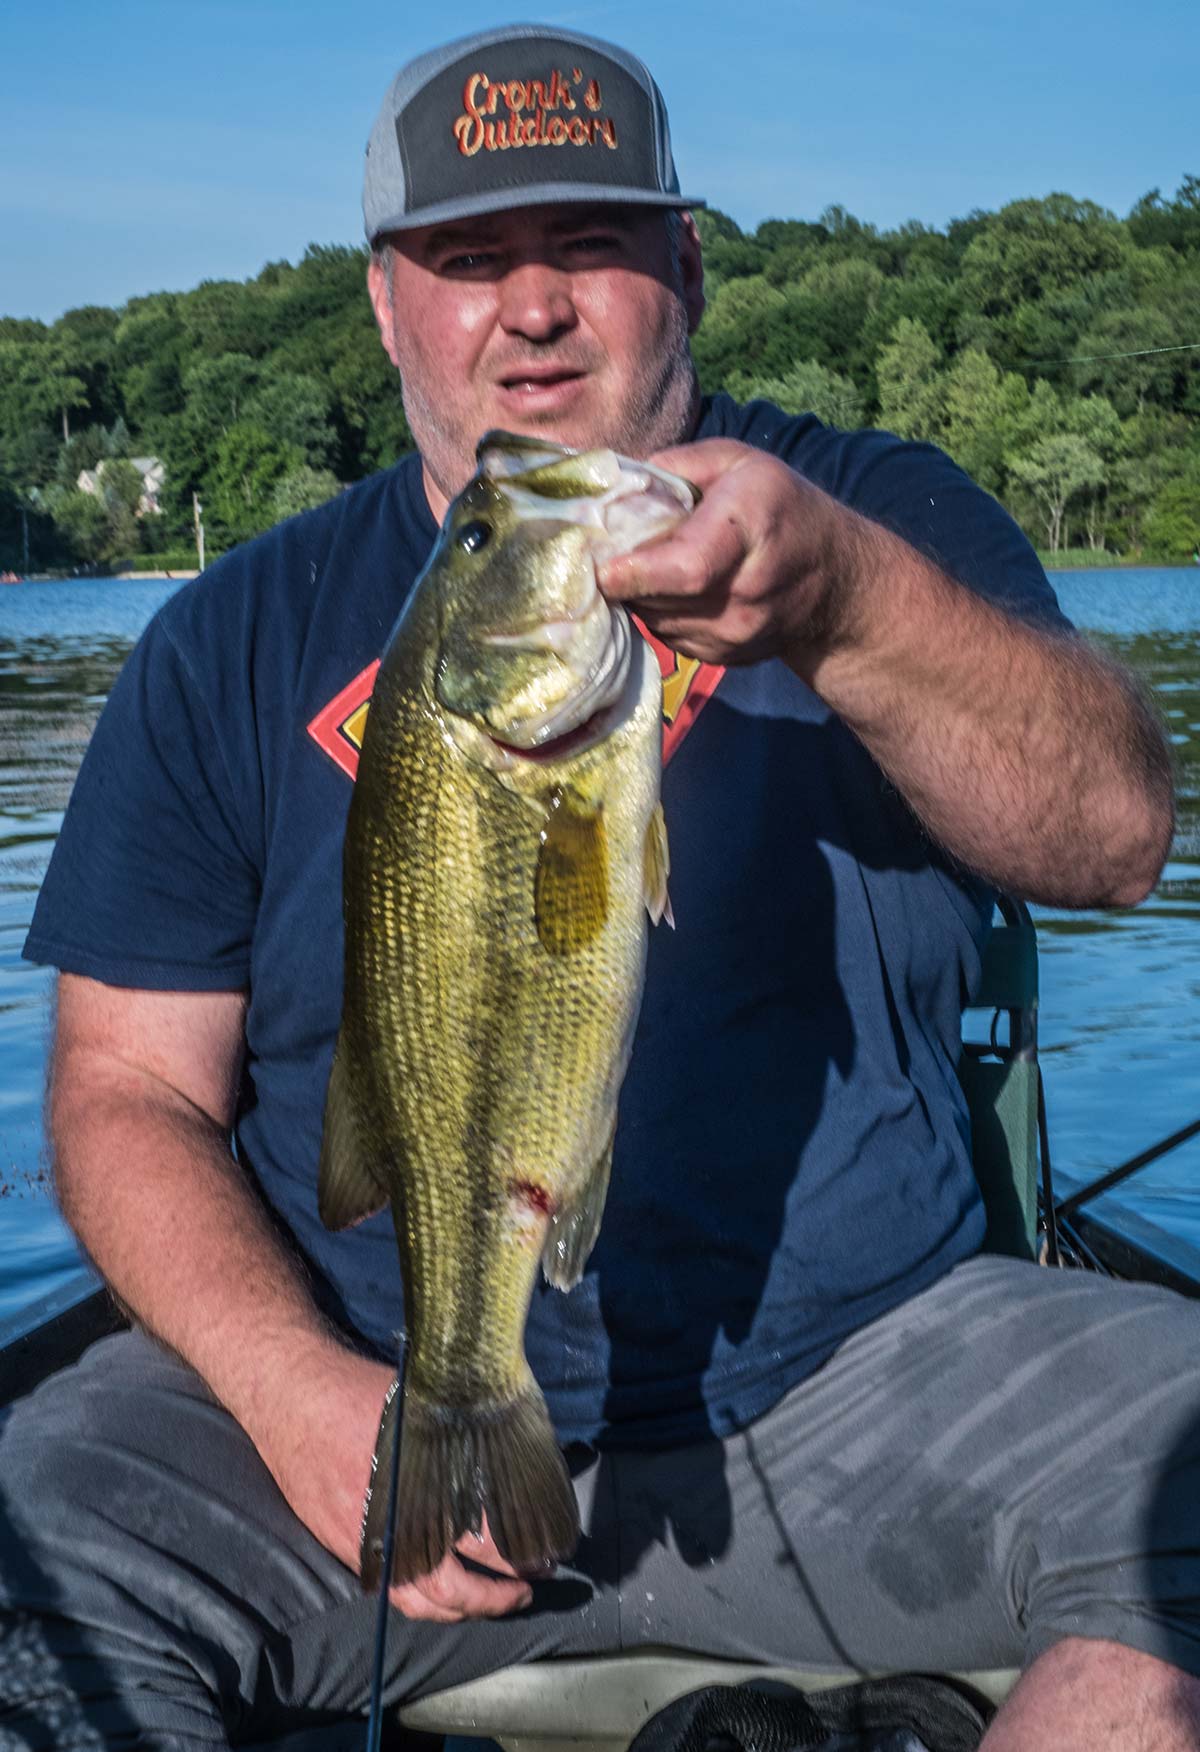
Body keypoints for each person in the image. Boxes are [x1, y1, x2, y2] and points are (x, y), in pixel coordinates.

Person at [1, 22, 1194, 1752]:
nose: (533, 307)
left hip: (881, 1369)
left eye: (593, 246)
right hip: (368, 1397)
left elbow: (1115, 840)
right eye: (470, 260)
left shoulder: (883, 514)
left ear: (688, 266)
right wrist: (303, 1396)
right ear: (386, 303)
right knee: (36, 1556)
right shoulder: (224, 640)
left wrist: (852, 604)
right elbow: (118, 1092)